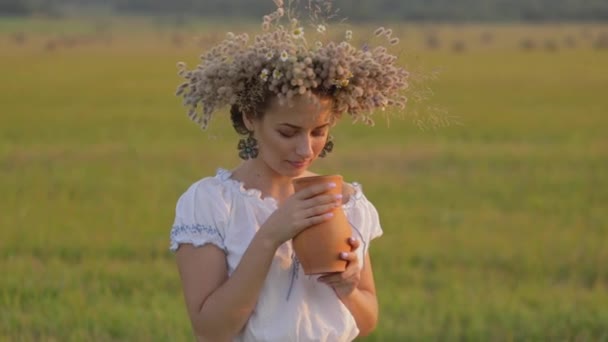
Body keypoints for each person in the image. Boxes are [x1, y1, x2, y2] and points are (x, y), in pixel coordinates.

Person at [170, 2, 410, 341]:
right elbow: (211, 330)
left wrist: (347, 288)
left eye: (318, 131)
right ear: (251, 119)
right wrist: (271, 235)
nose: (305, 149)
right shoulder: (211, 203)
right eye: (287, 132)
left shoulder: (348, 202)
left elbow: (367, 319)